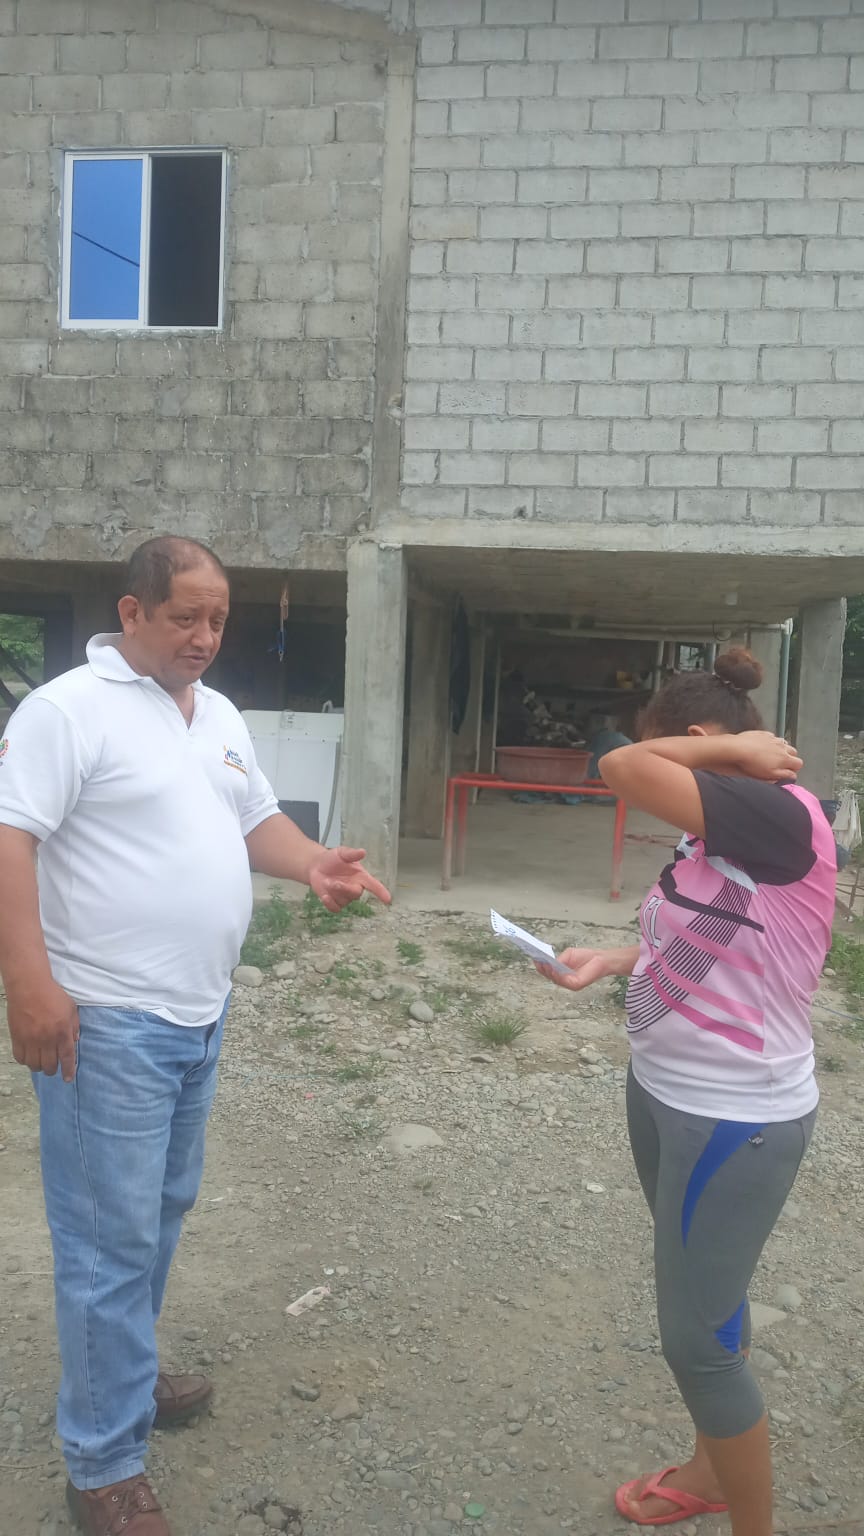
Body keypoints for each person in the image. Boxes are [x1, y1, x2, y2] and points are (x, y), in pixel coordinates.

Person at [0, 537, 391, 1536]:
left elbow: (255, 817)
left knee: (157, 1215)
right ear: (132, 612)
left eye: (217, 618)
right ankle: (102, 1467)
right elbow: (10, 839)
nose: (204, 636)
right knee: (108, 1240)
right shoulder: (66, 711)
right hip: (105, 1021)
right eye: (185, 617)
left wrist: (313, 863)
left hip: (196, 1014)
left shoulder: (215, 713)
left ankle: (124, 1377)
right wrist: (29, 984)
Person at [537, 649, 836, 1536]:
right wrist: (616, 958)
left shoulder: (780, 814)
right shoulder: (719, 829)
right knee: (712, 1296)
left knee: (697, 1344)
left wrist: (728, 752)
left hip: (737, 1117)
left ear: (705, 743)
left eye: (683, 752)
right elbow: (720, 925)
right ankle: (709, 1473)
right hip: (665, 1093)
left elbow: (619, 765)